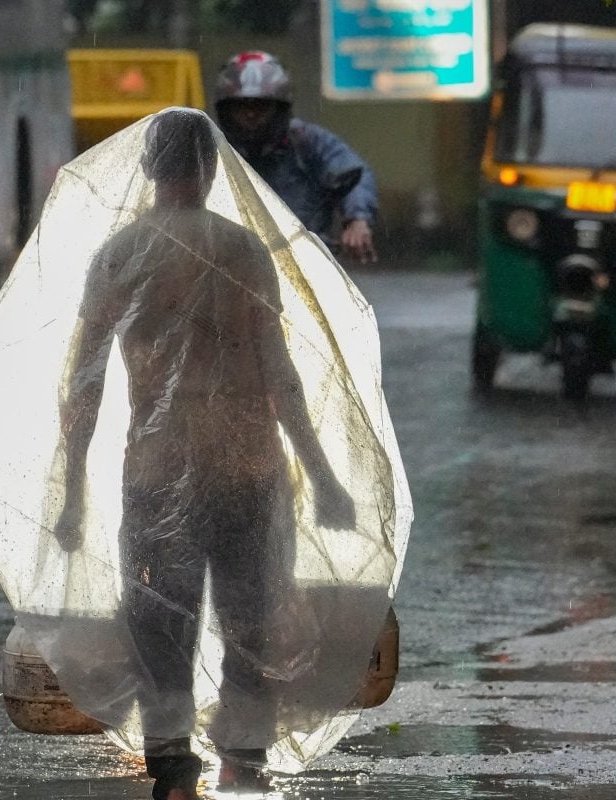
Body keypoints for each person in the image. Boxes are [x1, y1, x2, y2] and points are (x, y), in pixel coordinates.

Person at [52, 108, 356, 800]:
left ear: (148, 168)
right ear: (214, 168)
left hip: (157, 472)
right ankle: (243, 762)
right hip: (248, 468)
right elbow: (280, 377)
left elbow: (84, 388)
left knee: (160, 625)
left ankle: (171, 767)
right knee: (251, 621)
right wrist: (323, 478)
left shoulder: (120, 255)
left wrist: (71, 495)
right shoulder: (243, 250)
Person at [214, 50, 378, 263]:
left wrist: (357, 218)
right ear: (226, 110)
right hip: (224, 264)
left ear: (279, 109)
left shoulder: (307, 142)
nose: (251, 115)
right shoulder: (209, 148)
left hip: (304, 262)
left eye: (261, 106)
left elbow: (354, 173)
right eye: (242, 106)